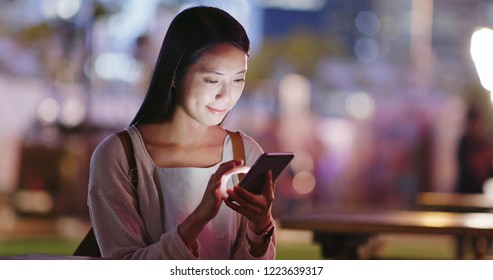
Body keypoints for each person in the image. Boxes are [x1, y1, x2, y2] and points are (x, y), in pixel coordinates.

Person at [87, 6, 276, 260]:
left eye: (238, 79)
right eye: (212, 80)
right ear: (175, 75)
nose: (226, 96)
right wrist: (199, 217)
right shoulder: (119, 156)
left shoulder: (247, 154)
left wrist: (260, 227)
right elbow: (123, 264)